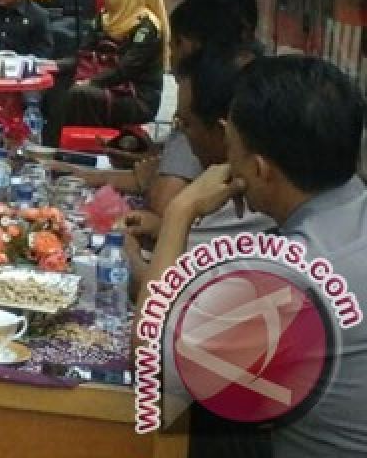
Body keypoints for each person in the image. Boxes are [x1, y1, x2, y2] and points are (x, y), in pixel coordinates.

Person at [135, 56, 367, 458]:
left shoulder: (296, 272)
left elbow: (151, 359)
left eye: (231, 153)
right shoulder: (350, 215)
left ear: (259, 169)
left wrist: (180, 212)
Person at [55, 0, 167, 135]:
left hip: (135, 96)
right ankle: (61, 147)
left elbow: (127, 69)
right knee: (58, 87)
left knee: (81, 94)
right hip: (109, 86)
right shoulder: (106, 18)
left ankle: (86, 149)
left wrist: (93, 82)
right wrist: (53, 66)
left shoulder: (147, 27)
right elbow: (84, 53)